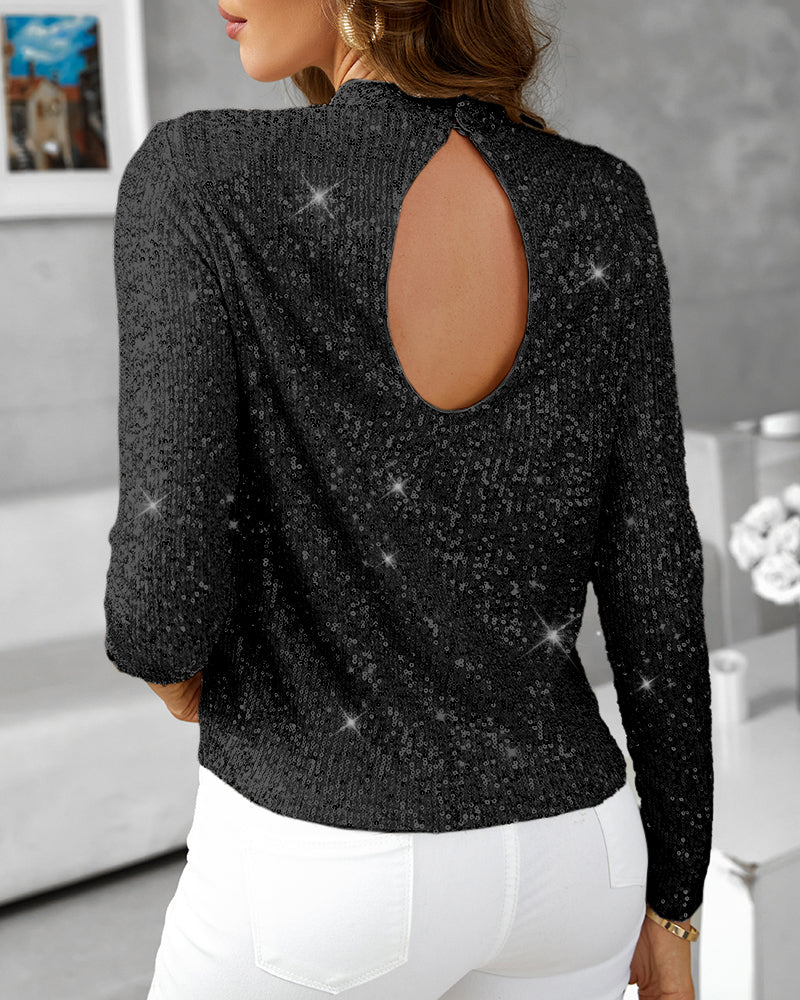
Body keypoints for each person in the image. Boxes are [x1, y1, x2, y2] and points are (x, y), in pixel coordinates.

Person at [103, 1, 714, 998]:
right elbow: (656, 576)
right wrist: (675, 899)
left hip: (321, 865)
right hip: (575, 861)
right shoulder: (600, 197)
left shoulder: (199, 175)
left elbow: (159, 605)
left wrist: (179, 676)